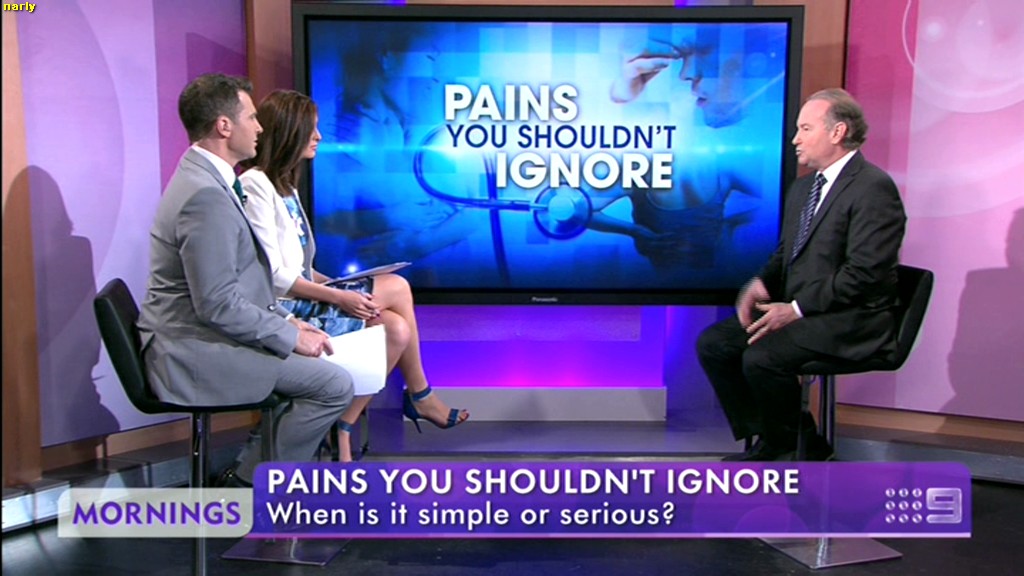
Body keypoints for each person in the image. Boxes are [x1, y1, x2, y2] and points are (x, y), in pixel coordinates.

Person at [136, 74, 354, 486]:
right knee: (332, 384)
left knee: (322, 370)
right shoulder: (205, 195)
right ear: (224, 126)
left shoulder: (209, 178)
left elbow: (237, 283)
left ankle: (253, 480)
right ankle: (249, 489)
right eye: (252, 118)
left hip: (203, 335)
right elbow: (217, 302)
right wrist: (289, 337)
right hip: (192, 350)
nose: (259, 127)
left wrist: (286, 321)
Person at [239, 89, 469, 462]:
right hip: (283, 312)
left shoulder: (286, 187)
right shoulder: (255, 185)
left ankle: (343, 424)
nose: (319, 137)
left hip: (305, 296)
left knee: (396, 330)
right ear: (289, 131)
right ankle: (420, 394)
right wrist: (338, 296)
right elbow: (274, 276)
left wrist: (335, 284)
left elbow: (301, 267)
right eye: (311, 129)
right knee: (397, 287)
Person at [696, 88, 907, 461]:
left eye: (805, 129)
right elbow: (785, 253)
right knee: (716, 344)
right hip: (804, 311)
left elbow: (864, 274)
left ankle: (791, 447)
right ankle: (778, 438)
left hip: (851, 318)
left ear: (837, 132)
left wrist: (795, 309)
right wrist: (760, 283)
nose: (795, 139)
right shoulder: (805, 187)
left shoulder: (873, 188)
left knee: (762, 357)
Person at [591, 27, 785, 272]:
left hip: (714, 282)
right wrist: (634, 231)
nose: (689, 80)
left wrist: (732, 224)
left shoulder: (724, 167)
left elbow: (785, 204)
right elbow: (577, 208)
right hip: (658, 283)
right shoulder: (640, 170)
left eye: (703, 53)